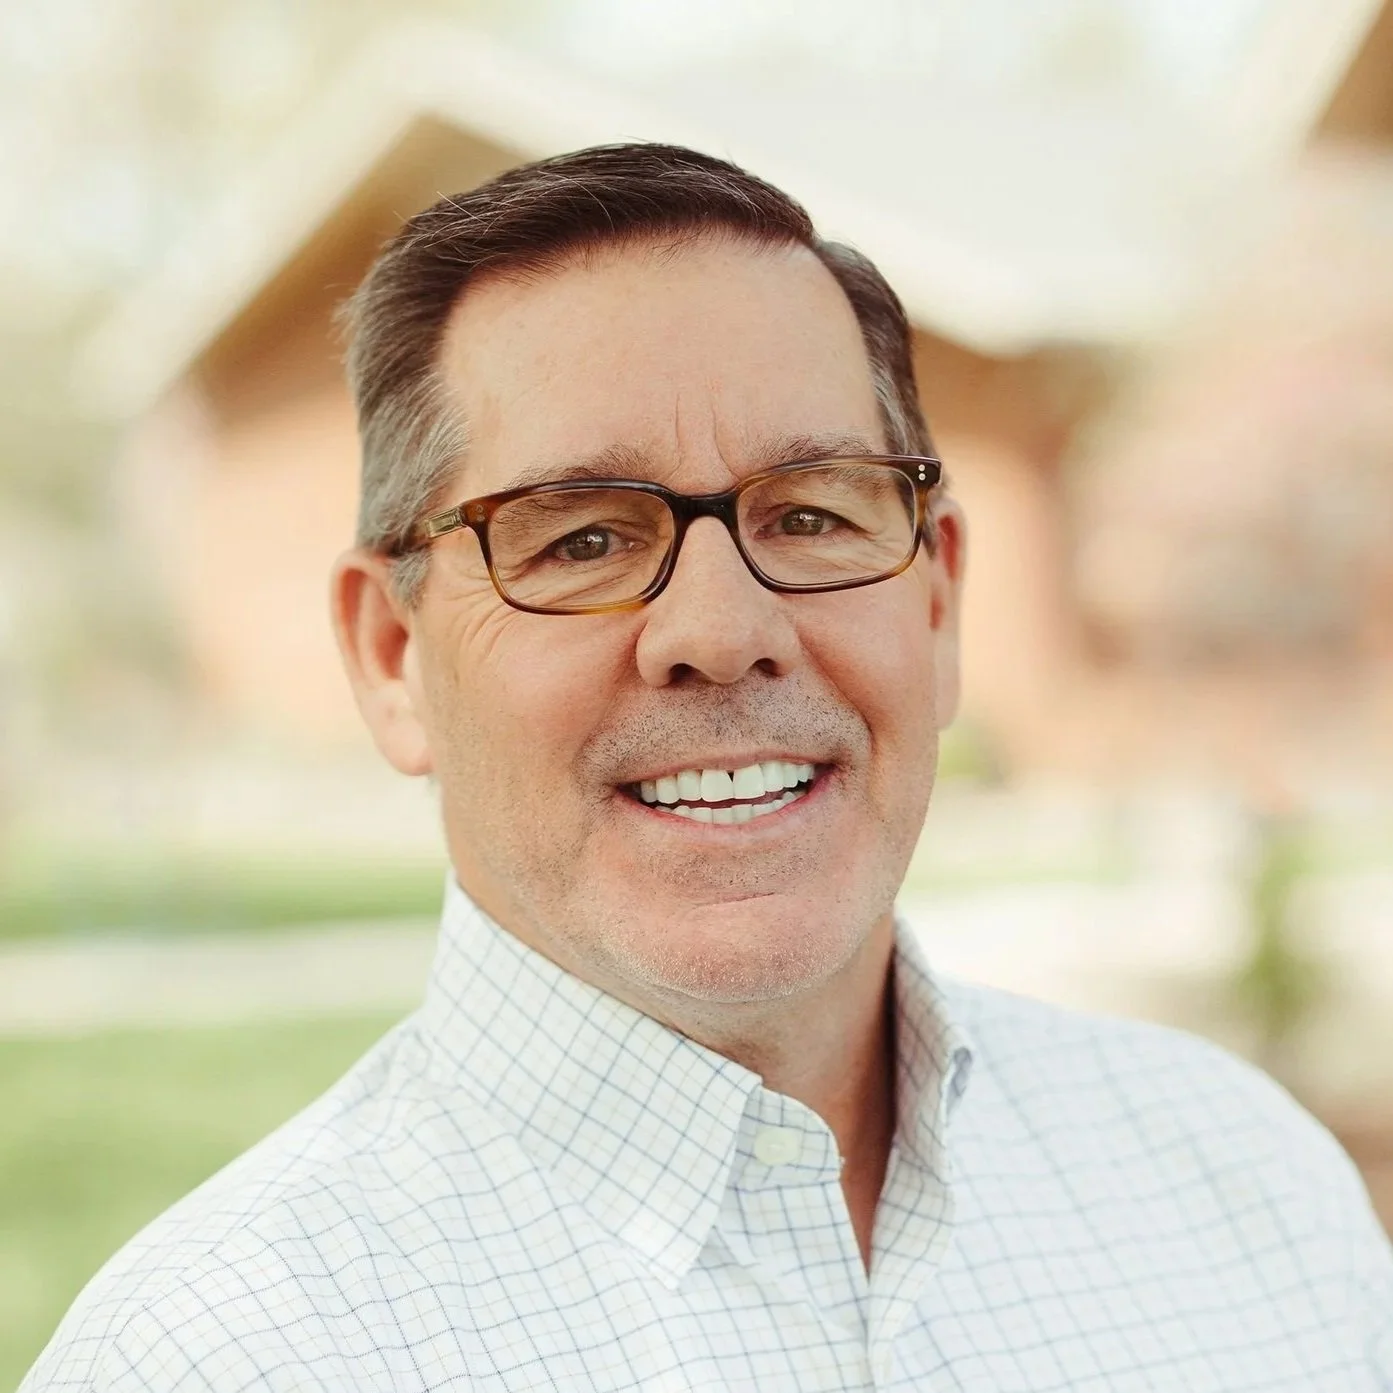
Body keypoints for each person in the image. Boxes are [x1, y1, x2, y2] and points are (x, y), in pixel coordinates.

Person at [23, 143, 1392, 1392]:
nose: (725, 633)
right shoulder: (222, 1356)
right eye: (581, 541)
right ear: (393, 656)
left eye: (809, 513)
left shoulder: (1246, 1184)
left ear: (940, 601)